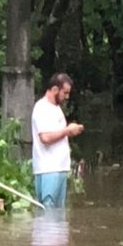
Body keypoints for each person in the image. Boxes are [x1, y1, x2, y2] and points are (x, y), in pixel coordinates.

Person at [31, 73, 84, 209]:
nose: (66, 97)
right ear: (55, 89)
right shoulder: (41, 108)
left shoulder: (56, 108)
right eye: (64, 93)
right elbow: (45, 138)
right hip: (48, 169)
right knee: (48, 209)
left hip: (60, 168)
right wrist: (67, 131)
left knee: (59, 213)